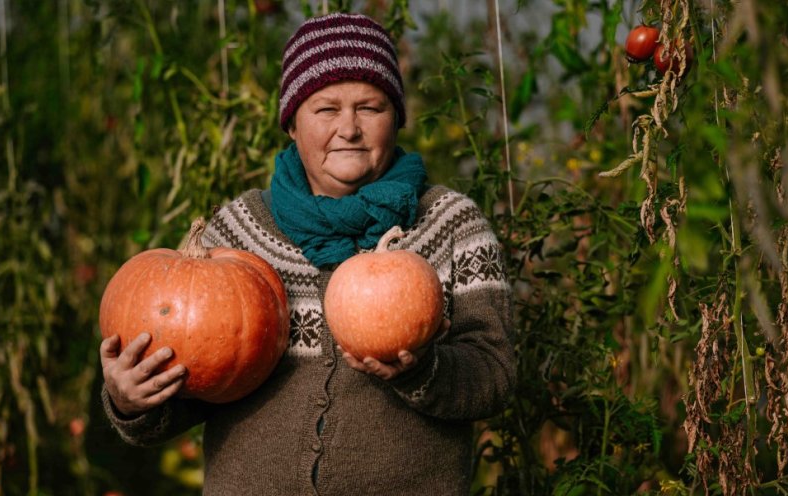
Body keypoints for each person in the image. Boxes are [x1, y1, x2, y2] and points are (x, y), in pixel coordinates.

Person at [100, 12, 515, 495]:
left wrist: (424, 370)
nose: (350, 129)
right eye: (325, 109)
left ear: (396, 119)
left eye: (371, 107)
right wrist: (133, 400)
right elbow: (200, 384)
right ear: (292, 124)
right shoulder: (238, 232)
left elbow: (495, 375)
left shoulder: (449, 224)